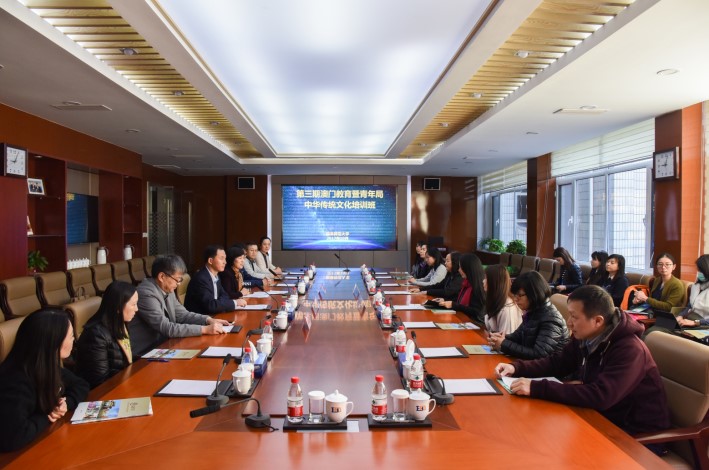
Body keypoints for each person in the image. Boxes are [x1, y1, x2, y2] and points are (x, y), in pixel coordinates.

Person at [495, 285, 671, 439]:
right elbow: (558, 363)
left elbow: (601, 396)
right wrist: (516, 368)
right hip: (598, 417)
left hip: (634, 434)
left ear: (598, 321)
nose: (569, 323)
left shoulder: (630, 350)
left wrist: (537, 388)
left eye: (574, 317)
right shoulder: (587, 335)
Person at [0, 309, 89, 452]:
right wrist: (48, 415)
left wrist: (65, 403)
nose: (74, 339)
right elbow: (15, 437)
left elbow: (81, 385)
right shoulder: (16, 382)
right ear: (54, 343)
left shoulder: (44, 365)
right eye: (71, 336)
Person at [128, 254, 230, 357]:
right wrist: (205, 329)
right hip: (145, 352)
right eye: (178, 279)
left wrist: (208, 320)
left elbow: (183, 314)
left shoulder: (167, 288)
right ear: (162, 277)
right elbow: (167, 328)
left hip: (163, 346)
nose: (179, 284)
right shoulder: (146, 293)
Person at [489, 271, 569, 359]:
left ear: (534, 293)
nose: (515, 299)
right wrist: (500, 338)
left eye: (520, 295)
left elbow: (539, 354)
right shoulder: (533, 312)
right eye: (515, 295)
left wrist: (504, 344)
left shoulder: (551, 319)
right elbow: (517, 337)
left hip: (548, 367)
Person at [76, 281, 138, 388]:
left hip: (122, 382)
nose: (137, 309)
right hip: (104, 391)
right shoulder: (96, 335)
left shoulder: (119, 324)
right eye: (133, 304)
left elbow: (126, 359)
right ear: (118, 306)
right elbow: (100, 380)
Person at [184, 245, 246, 314]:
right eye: (221, 258)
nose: (225, 262)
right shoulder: (201, 279)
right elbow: (211, 306)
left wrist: (219, 303)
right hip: (202, 317)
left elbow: (224, 295)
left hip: (215, 314)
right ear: (210, 261)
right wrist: (235, 302)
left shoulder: (216, 275)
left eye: (225, 259)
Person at [438, 253, 486, 322]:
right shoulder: (467, 283)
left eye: (460, 267)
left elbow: (476, 311)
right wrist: (445, 300)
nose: (459, 270)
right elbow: (459, 300)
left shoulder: (479, 287)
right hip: (461, 318)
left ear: (468, 268)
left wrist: (453, 305)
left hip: (473, 323)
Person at [483, 264, 523, 335]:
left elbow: (506, 338)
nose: (483, 281)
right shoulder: (497, 301)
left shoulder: (507, 308)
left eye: (486, 278)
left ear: (494, 282)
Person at [677, 254, 709, 327]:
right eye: (698, 270)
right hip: (691, 320)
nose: (698, 273)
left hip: (703, 325)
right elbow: (690, 306)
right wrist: (680, 315)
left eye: (701, 270)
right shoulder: (696, 286)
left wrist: (695, 322)